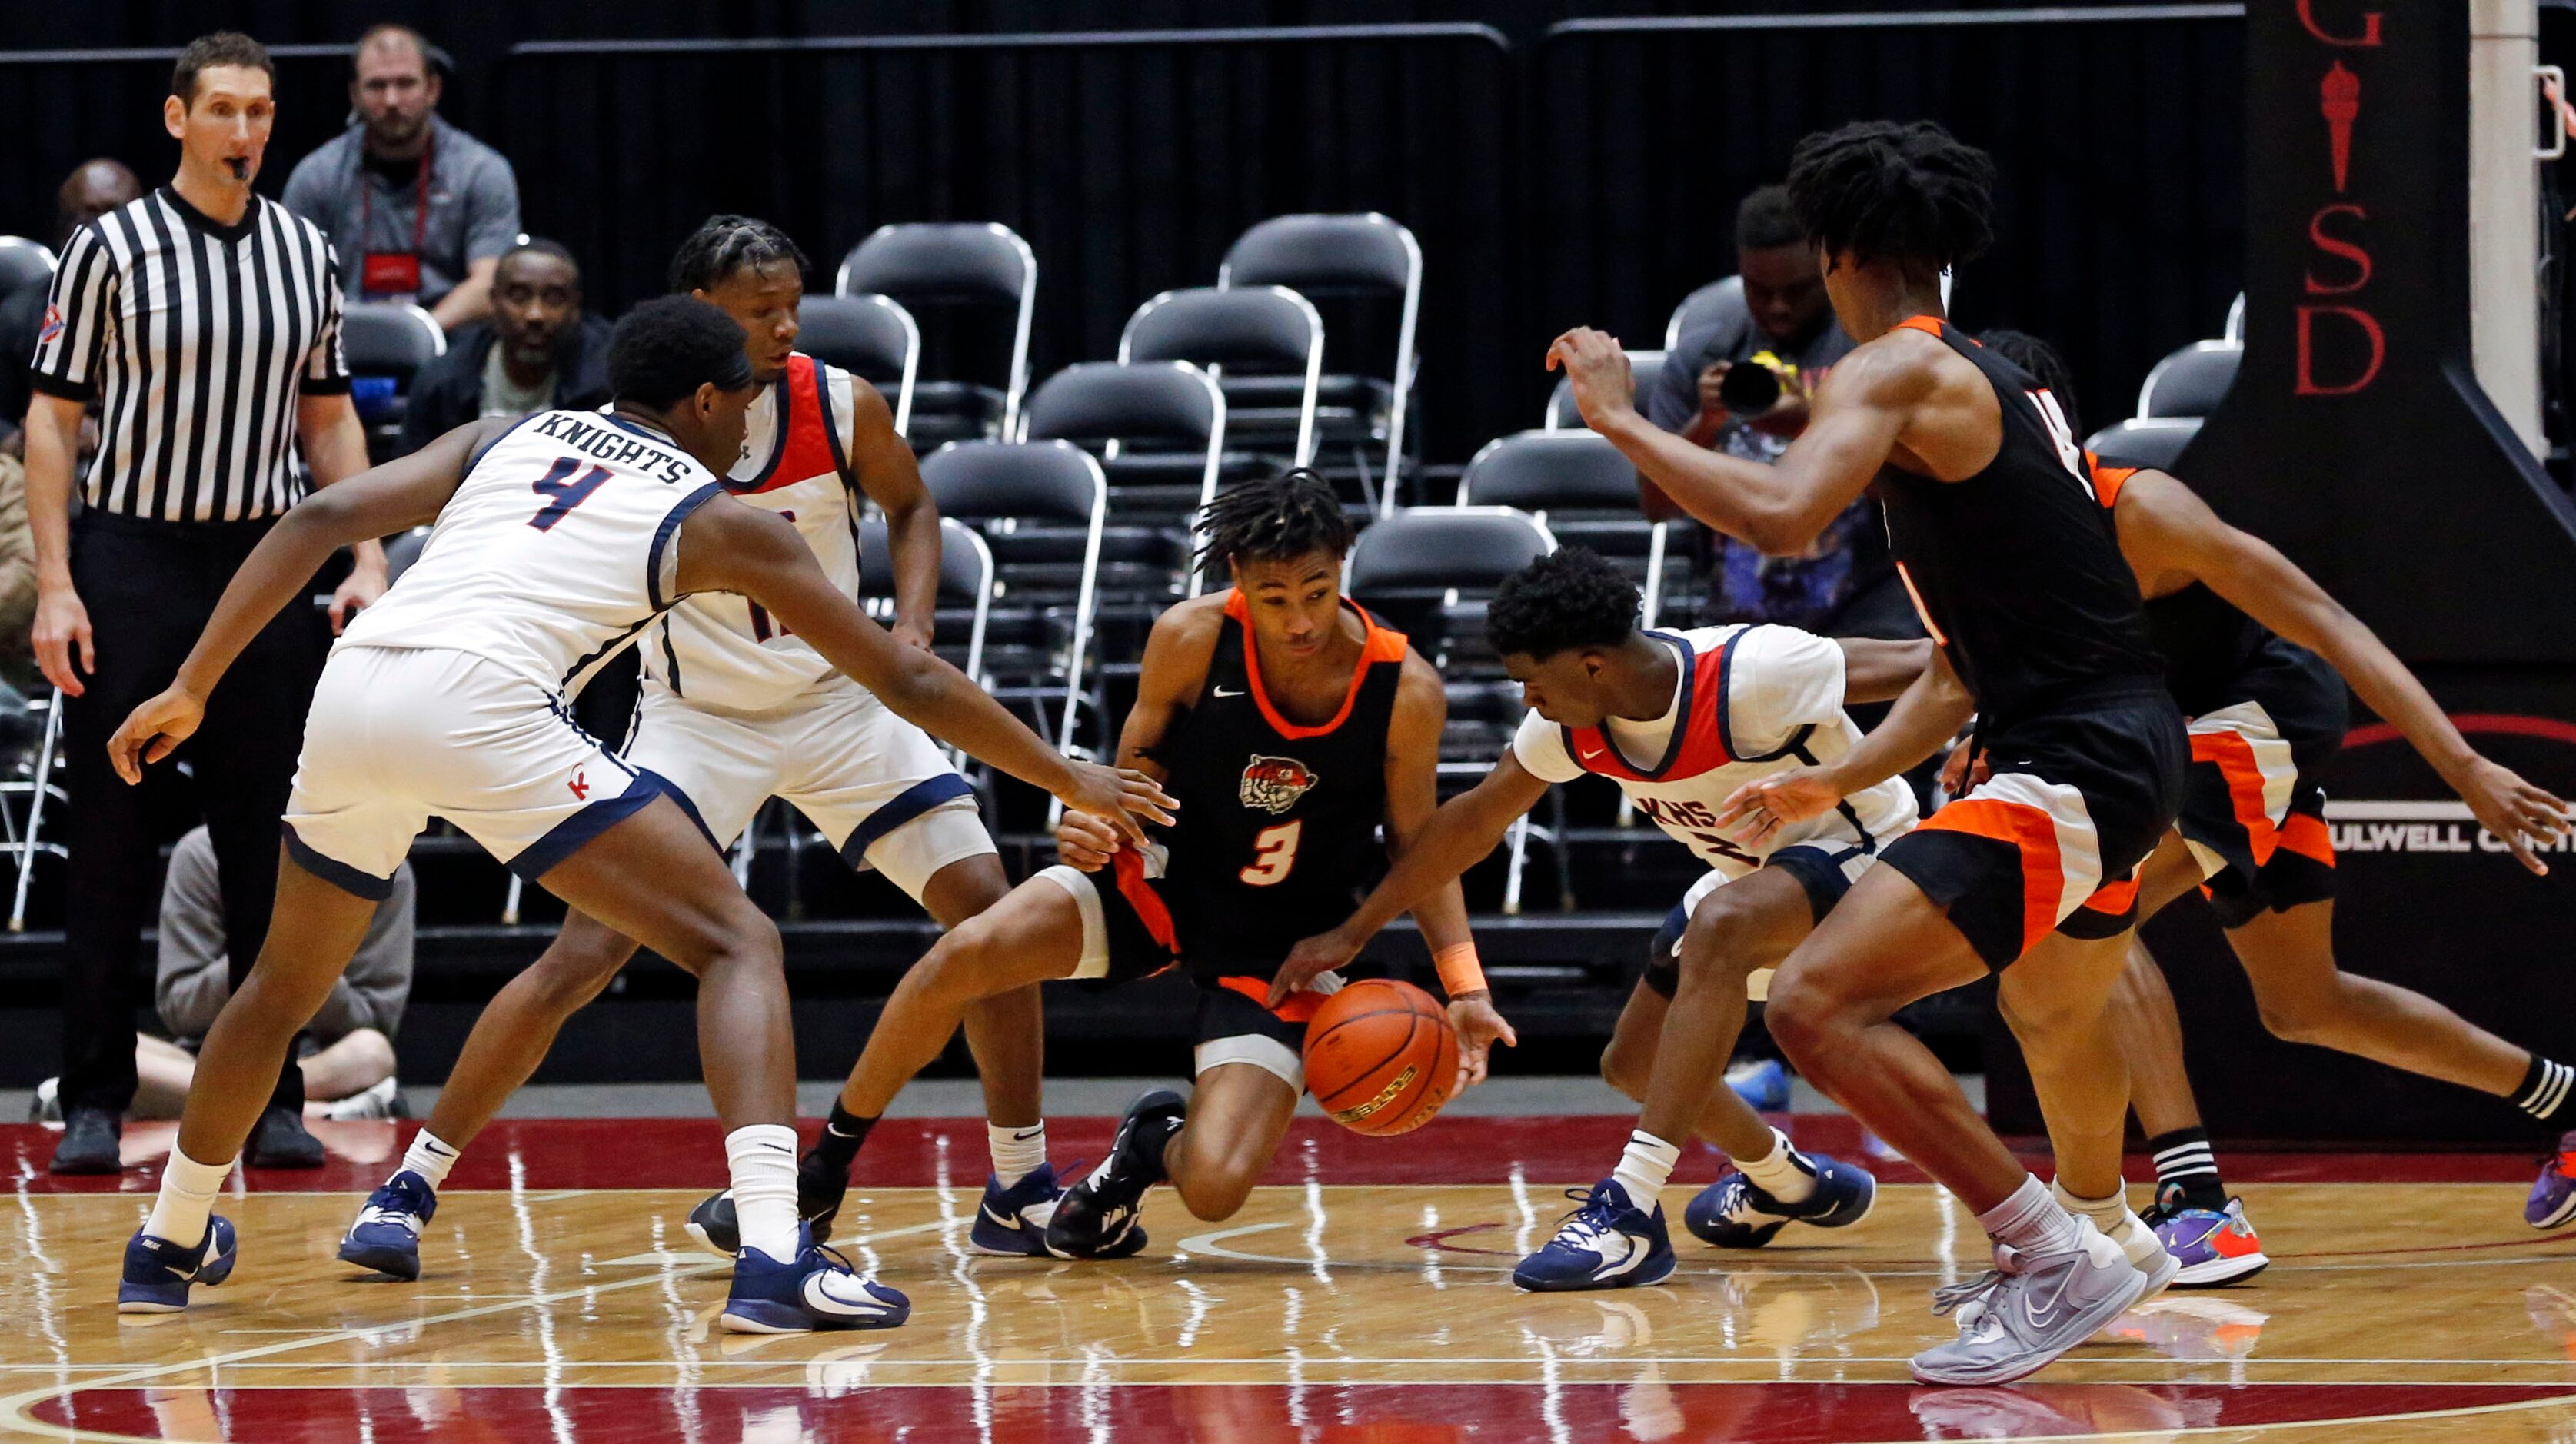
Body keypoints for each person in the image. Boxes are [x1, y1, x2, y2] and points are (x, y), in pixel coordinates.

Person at [102, 294, 1170, 1330]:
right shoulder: (720, 519)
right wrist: (1064, 774)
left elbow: (322, 513)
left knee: (280, 983)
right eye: (745, 399)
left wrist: (193, 682)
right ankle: (773, 1255)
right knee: (737, 941)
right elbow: (912, 682)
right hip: (483, 699)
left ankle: (169, 1236)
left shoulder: (506, 433)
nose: (755, 418)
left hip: (359, 683)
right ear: (704, 400)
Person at [1551, 119, 2188, 1386]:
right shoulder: (1980, 374)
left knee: (1812, 1001)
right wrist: (1835, 782)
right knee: (1961, 1005)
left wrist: (1623, 419)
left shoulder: (1892, 373)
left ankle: (2061, 1250)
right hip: (2081, 741)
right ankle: (2086, 1232)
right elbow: (1960, 660)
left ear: (1837, 252)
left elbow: (1787, 515)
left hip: (2081, 752)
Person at [336, 215, 1047, 1283]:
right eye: (762, 310)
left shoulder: (837, 403)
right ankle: (413, 1181)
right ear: (700, 319)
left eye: (793, 306)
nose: (787, 326)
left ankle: (1018, 1181)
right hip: (696, 716)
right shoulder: (634, 435)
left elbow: (911, 508)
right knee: (583, 953)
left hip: (838, 702)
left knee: (995, 910)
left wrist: (911, 620)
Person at [684, 471, 1516, 1261]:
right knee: (965, 953)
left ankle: (1147, 1148)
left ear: (1343, 570)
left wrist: (1466, 986)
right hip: (1156, 893)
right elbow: (1131, 779)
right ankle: (825, 1166)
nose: (1298, 620)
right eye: (1273, 598)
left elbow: (1422, 847)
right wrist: (1087, 820)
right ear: (1237, 579)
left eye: (1317, 592)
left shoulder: (1403, 687)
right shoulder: (1190, 639)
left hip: (1279, 955)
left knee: (1218, 1188)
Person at [1975, 330, 2572, 1281]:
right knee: (2303, 1002)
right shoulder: (1983, 546)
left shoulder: (2139, 510)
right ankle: (2562, 1104)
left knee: (2086, 906)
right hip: (2172, 739)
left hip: (2254, 722)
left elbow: (2324, 618)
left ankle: (2196, 1200)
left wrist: (2461, 766)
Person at [1280, 547, 1919, 1291]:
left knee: (1723, 925)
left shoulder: (1756, 669)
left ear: (1591, 666)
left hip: (1874, 857)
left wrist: (1986, 735)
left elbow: (1940, 662)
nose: (1525, 699)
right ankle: (1788, 1181)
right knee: (1635, 1064)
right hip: (1758, 878)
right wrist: (1354, 932)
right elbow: (1473, 824)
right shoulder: (1568, 727)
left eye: (1531, 680)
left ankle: (1630, 1211)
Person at [26, 32, 390, 1176]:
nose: (244, 133)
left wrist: (367, 553)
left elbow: (327, 419)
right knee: (112, 840)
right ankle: (91, 1091)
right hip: (132, 556)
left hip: (265, 558)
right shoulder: (108, 248)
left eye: (261, 112)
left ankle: (267, 1092)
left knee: (263, 841)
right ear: (178, 118)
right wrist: (56, 581)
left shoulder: (305, 251)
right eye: (223, 110)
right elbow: (52, 418)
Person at [1643, 185, 1904, 639]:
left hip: (1870, 620)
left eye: (1797, 291)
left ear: (1828, 268)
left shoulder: (1875, 353)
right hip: (1740, 623)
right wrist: (1704, 426)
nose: (1778, 308)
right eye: (1759, 292)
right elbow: (1656, 506)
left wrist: (1810, 421)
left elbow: (1912, 490)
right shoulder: (1701, 358)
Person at [28, 826, 414, 1126]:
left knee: (371, 1053)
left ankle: (218, 1104)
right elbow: (180, 1009)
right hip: (204, 1051)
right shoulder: (199, 852)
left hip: (319, 1055)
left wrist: (307, 954)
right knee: (108, 1050)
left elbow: (375, 1022)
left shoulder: (386, 866)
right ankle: (311, 1113)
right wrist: (260, 951)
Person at [282, 25, 519, 331]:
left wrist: (417, 337)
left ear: (433, 89)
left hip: (447, 342)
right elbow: (291, 284)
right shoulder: (316, 175)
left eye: (406, 84)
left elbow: (490, 284)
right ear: (355, 94)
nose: (392, 100)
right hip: (343, 342)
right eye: (377, 86)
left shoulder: (481, 170)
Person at [397, 239, 611, 454]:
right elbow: (409, 472)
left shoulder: (606, 381)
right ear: (494, 301)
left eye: (554, 299)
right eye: (518, 297)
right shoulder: (442, 382)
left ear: (575, 308)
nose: (534, 314)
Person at [0, 161, 144, 453]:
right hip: (39, 465)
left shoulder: (177, 309)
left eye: (117, 215)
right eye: (90, 218)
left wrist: (106, 432)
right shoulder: (18, 316)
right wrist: (21, 438)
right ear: (63, 231)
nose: (106, 231)